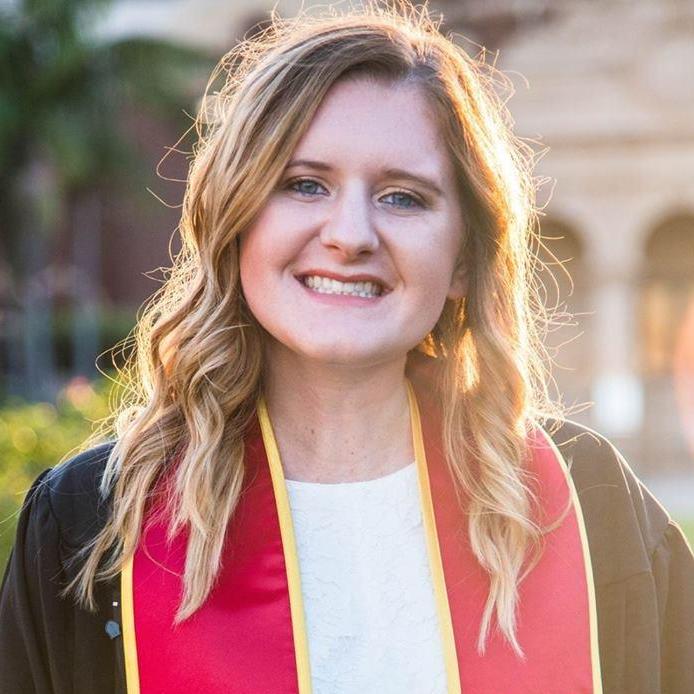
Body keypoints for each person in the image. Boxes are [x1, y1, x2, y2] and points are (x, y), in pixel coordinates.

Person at [2, 3, 693, 693]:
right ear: (235, 223)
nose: (351, 235)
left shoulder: (585, 504)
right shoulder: (94, 524)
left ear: (463, 259)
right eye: (304, 185)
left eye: (403, 197)